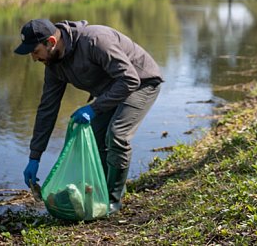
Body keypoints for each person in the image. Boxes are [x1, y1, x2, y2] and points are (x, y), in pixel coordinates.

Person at [15, 18, 164, 215]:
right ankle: (105, 188)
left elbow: (129, 79)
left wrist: (94, 108)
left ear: (51, 42)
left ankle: (112, 200)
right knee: (95, 136)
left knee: (117, 134)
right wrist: (35, 156)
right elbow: (47, 110)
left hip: (142, 82)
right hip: (112, 88)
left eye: (35, 52)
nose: (34, 58)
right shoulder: (54, 65)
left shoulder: (95, 41)